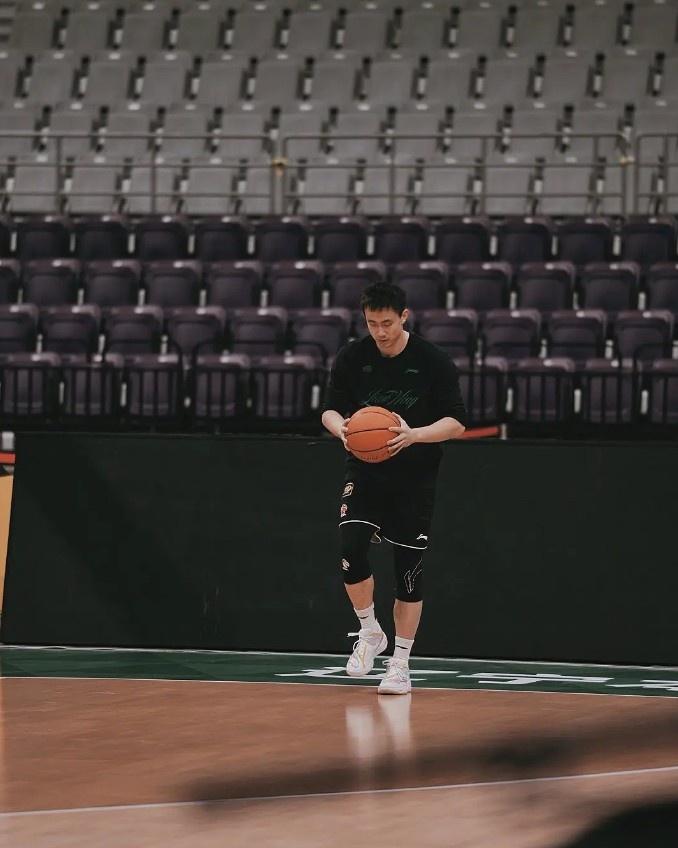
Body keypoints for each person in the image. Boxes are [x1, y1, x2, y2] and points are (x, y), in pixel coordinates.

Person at [322, 282, 468, 695]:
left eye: (387, 323)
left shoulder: (432, 360)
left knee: (408, 572)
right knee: (350, 547)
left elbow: (457, 422)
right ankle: (370, 631)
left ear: (404, 317)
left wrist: (413, 434)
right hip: (366, 468)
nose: (380, 331)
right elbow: (330, 410)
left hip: (414, 474)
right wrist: (343, 430)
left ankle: (400, 663)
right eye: (372, 323)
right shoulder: (353, 357)